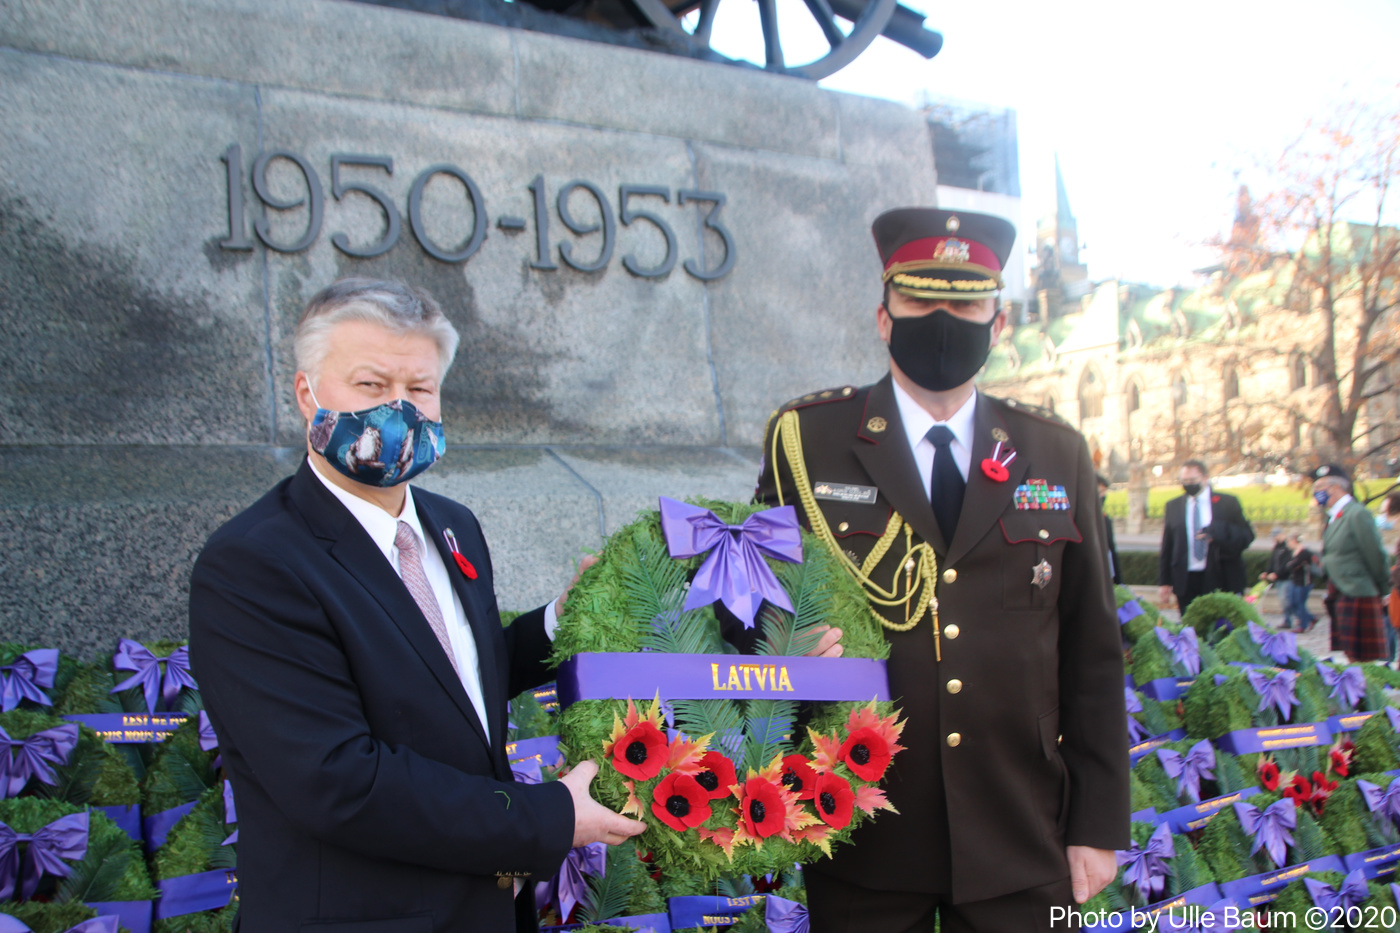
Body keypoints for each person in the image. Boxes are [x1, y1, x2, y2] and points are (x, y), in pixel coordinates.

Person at [188, 279, 646, 933]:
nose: (399, 411)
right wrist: (548, 816)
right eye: (372, 386)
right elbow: (337, 781)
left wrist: (562, 620)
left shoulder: (450, 524)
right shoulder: (254, 563)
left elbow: (451, 679)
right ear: (305, 394)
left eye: (419, 389)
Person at [755, 208, 1128, 933]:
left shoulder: (1055, 451)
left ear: (999, 321)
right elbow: (758, 602)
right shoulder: (808, 439)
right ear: (884, 315)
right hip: (860, 829)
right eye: (922, 301)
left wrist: (1098, 819)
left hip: (1024, 829)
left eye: (966, 304)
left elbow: (1092, 652)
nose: (944, 320)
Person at [1312, 463, 1390, 663]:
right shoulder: (1336, 516)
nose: (1316, 493)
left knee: (1362, 656)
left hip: (1358, 591)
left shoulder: (1356, 513)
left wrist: (1383, 589)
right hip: (1341, 590)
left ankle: (1364, 691)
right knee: (1350, 654)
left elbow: (1375, 554)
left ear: (1336, 488)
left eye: (1319, 488)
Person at [1156, 461, 1254, 614]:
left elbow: (1246, 537)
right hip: (1186, 578)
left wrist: (1218, 533)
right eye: (1185, 481)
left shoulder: (1227, 503)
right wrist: (1164, 582)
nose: (1189, 484)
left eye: (1193, 480)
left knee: (1220, 627)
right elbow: (1167, 545)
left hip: (1221, 576)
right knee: (1190, 628)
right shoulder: (1173, 506)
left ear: (1205, 478)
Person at [1283, 532, 1316, 633]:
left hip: (1304, 582)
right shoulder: (1294, 552)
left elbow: (1293, 565)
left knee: (1300, 603)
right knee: (1292, 603)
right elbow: (1290, 566)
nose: (1287, 544)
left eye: (1289, 541)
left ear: (1294, 541)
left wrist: (1291, 565)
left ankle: (1303, 625)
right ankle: (1311, 618)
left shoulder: (1304, 552)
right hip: (1295, 581)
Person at [1260, 527, 1291, 626]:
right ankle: (1288, 620)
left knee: (1285, 599)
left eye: (1275, 536)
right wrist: (1267, 572)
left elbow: (1286, 564)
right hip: (1279, 579)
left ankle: (1289, 620)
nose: (1273, 539)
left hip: (1286, 578)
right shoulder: (1276, 548)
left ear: (1281, 535)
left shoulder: (1287, 547)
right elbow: (1272, 562)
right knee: (1283, 600)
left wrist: (1277, 574)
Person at [1098, 474, 1122, 585]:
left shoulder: (1105, 519)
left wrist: (1118, 581)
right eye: (1100, 492)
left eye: (1104, 492)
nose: (1103, 496)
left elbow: (1111, 550)